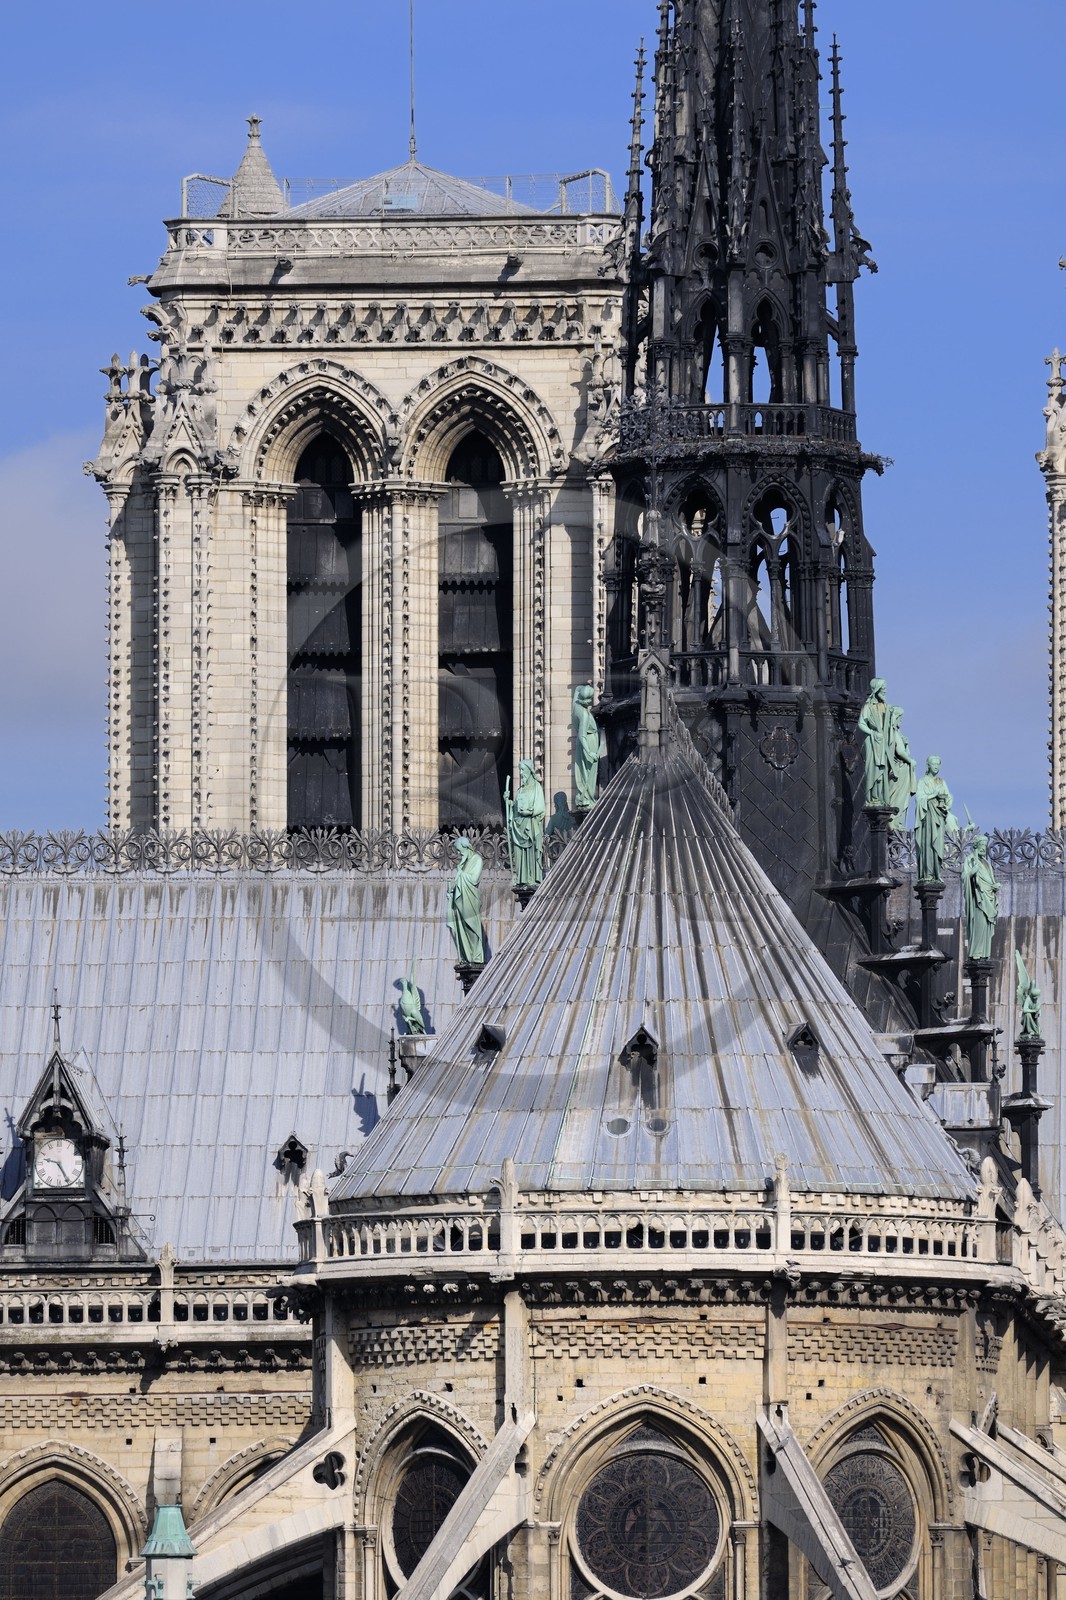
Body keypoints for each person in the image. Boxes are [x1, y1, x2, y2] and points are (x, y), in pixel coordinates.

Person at [505, 761, 547, 890]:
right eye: (520, 770)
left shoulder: (537, 788)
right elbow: (516, 808)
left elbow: (541, 808)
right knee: (520, 854)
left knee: (531, 852)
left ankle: (532, 878)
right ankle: (522, 879)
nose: (521, 773)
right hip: (519, 827)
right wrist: (509, 802)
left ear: (530, 771)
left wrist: (530, 812)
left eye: (523, 770)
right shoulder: (520, 790)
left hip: (531, 826)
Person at [914, 755, 955, 883]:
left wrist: (946, 803)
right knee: (928, 845)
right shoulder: (922, 781)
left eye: (938, 764)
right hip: (928, 818)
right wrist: (933, 794)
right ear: (928, 765)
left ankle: (937, 873)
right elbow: (919, 799)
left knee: (938, 844)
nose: (936, 766)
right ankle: (928, 873)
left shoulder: (941, 782)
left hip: (938, 817)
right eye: (934, 763)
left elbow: (949, 798)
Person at [447, 837, 485, 966]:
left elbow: (473, 880)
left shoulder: (477, 859)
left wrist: (460, 872)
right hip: (462, 899)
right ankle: (467, 955)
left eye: (459, 850)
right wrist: (452, 893)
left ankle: (475, 955)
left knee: (471, 927)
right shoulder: (465, 862)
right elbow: (460, 883)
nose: (458, 853)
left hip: (471, 899)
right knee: (462, 927)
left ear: (466, 847)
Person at [962, 834, 1000, 962]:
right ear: (976, 846)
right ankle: (975, 952)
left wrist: (994, 886)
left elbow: (989, 880)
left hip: (988, 897)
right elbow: (965, 877)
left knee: (986, 927)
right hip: (978, 899)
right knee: (979, 924)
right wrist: (973, 871)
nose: (984, 848)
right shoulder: (970, 860)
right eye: (982, 845)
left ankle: (984, 952)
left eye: (985, 846)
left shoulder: (987, 864)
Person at [857, 678, 891, 806]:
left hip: (883, 742)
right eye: (883, 688)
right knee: (873, 769)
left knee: (882, 773)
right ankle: (872, 798)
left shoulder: (885, 707)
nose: (885, 691)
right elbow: (861, 723)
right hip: (872, 742)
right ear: (877, 689)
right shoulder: (868, 706)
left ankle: (880, 797)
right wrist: (872, 733)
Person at [573, 686, 602, 810]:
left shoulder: (575, 706)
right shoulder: (584, 714)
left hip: (586, 742)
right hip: (588, 743)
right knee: (589, 772)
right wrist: (590, 753)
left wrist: (582, 688)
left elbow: (577, 689)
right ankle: (587, 798)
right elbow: (582, 735)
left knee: (584, 770)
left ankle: (585, 797)